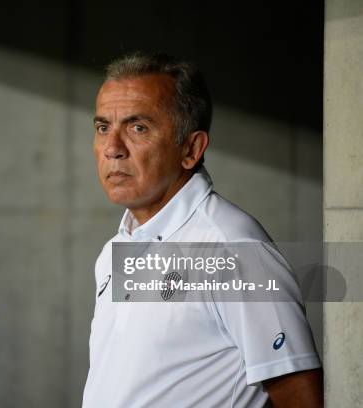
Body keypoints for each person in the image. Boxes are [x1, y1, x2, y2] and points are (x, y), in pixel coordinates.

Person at [82, 52, 323, 407]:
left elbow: (301, 397)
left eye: (138, 128)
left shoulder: (231, 248)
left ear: (191, 149)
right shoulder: (117, 248)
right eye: (103, 127)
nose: (113, 149)